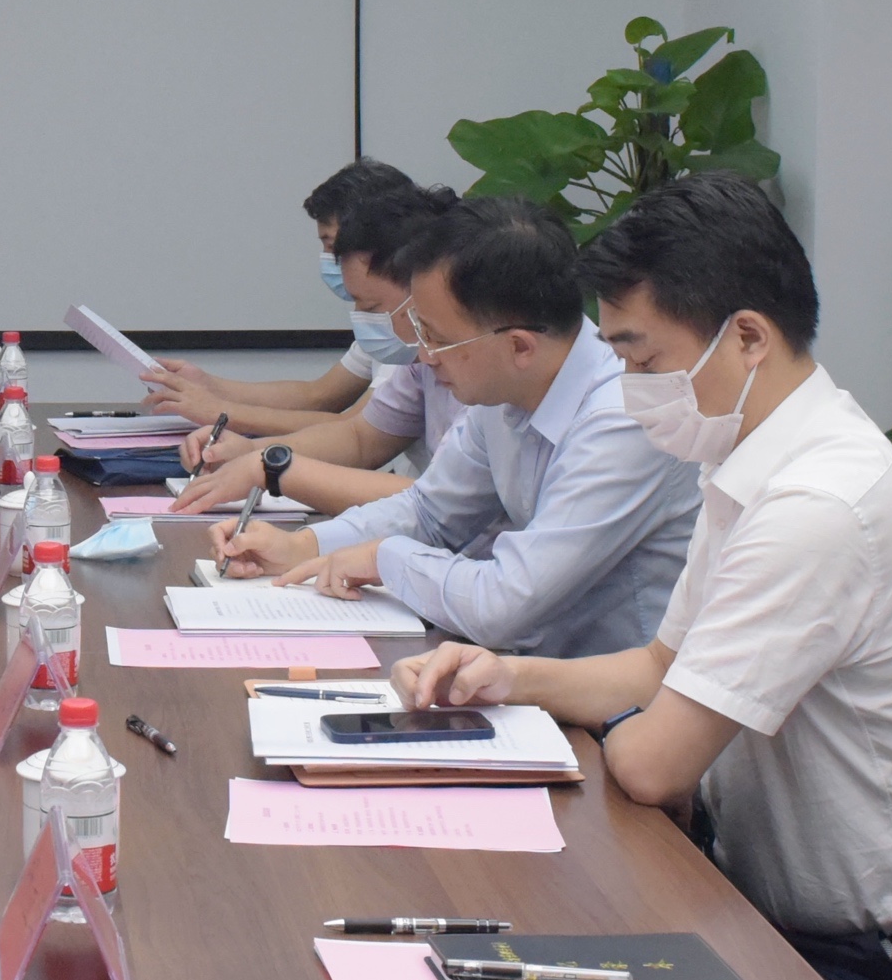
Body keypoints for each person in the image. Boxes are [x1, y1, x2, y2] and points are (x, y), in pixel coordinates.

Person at [391, 175, 892, 980]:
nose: (629, 387)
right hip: (789, 915)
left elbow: (656, 763)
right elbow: (659, 665)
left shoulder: (818, 505)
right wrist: (506, 676)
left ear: (748, 337)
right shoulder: (752, 460)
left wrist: (627, 718)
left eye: (643, 360)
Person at [215, 197, 696, 663]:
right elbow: (429, 512)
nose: (424, 356)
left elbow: (505, 604)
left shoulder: (621, 420)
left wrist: (385, 558)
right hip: (529, 672)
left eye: (437, 338)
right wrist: (301, 547)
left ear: (520, 347)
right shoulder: (504, 387)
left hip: (618, 701)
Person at [171, 180, 458, 514]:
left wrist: (273, 468)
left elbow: (439, 500)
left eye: (370, 306)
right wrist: (251, 453)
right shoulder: (418, 360)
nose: (360, 316)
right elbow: (360, 437)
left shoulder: (473, 370)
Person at [138, 157, 417, 432]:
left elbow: (356, 430)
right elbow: (318, 395)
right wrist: (208, 386)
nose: (331, 261)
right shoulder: (383, 322)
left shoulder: (409, 332)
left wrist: (219, 412)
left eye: (334, 247)